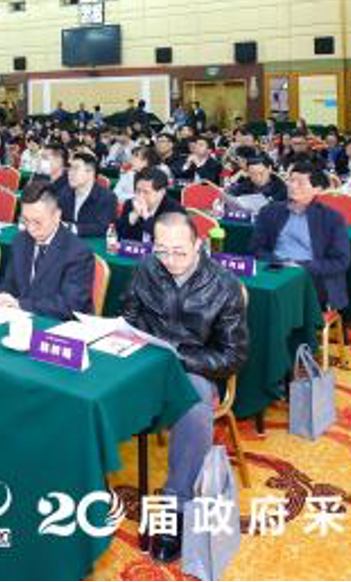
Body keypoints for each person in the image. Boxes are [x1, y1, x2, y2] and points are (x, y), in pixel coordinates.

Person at [119, 211, 249, 564]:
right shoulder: (147, 269)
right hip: (145, 363)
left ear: (198, 245)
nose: (170, 261)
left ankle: (176, 506)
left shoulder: (223, 285)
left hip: (194, 370)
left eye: (180, 252)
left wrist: (177, 355)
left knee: (192, 403)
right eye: (162, 251)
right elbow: (128, 318)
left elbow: (233, 356)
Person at [249, 162, 351, 311]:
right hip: (275, 270)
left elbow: (341, 261)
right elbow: (256, 249)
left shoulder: (331, 218)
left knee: (282, 300)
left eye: (300, 183)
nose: (293, 186)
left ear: (317, 189)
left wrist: (302, 266)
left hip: (312, 276)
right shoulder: (270, 211)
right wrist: (281, 262)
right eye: (291, 180)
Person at [0, 180, 93, 319]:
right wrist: (3, 296)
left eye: (37, 222)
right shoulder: (20, 241)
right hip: (20, 318)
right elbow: (9, 282)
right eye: (25, 220)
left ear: (57, 216)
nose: (31, 229)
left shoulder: (78, 252)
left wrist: (20, 304)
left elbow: (70, 305)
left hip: (57, 324)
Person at [111, 167, 183, 247]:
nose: (140, 196)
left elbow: (168, 239)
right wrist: (133, 216)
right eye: (138, 191)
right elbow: (116, 235)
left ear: (161, 192)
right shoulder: (130, 204)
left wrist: (147, 217)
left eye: (146, 192)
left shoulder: (174, 210)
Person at [62, 150, 117, 237]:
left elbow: (103, 227)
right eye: (70, 168)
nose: (70, 173)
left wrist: (72, 228)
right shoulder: (65, 192)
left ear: (90, 173)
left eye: (75, 169)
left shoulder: (107, 197)